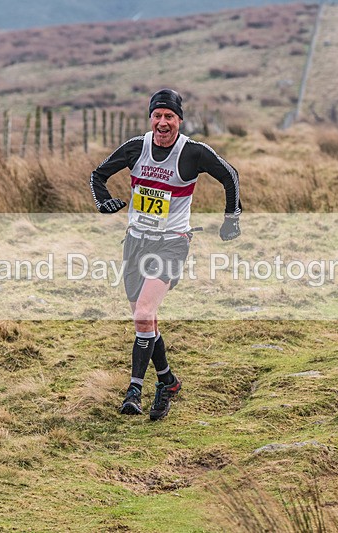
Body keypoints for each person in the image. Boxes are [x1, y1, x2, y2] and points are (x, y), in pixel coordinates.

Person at [89, 88, 242, 421]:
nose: (162, 122)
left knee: (144, 314)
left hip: (171, 243)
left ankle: (134, 390)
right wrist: (104, 202)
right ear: (150, 119)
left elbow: (230, 176)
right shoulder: (136, 147)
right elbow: (97, 175)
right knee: (145, 321)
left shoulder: (193, 152)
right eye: (157, 115)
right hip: (135, 242)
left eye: (169, 116)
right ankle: (168, 382)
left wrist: (231, 219)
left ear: (179, 120)